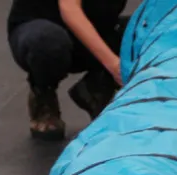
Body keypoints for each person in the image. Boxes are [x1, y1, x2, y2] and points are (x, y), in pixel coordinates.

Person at [7, 0, 129, 141]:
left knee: (148, 31)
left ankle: (96, 87)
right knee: (48, 42)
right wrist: (114, 65)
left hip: (94, 27)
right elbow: (70, 11)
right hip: (41, 31)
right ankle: (43, 93)